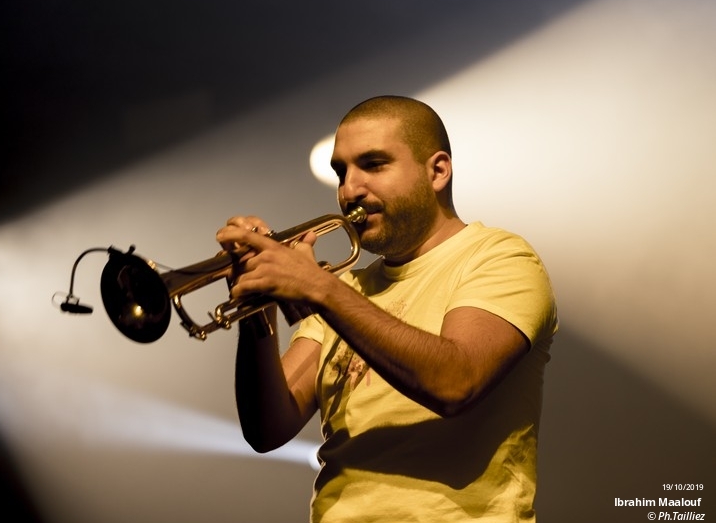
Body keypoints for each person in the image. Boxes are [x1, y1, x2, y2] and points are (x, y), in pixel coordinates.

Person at [216, 95, 558, 522]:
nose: (348, 189)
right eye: (341, 172)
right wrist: (256, 307)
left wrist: (319, 288)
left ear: (437, 171)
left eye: (373, 165)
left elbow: (457, 383)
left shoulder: (499, 257)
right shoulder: (346, 287)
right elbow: (268, 429)